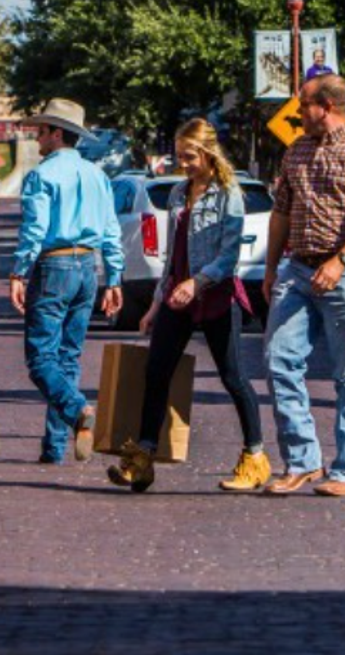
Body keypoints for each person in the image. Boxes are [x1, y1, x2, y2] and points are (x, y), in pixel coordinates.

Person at [107, 119, 269, 494]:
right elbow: (171, 257)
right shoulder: (179, 192)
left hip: (214, 296)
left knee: (233, 377)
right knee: (156, 372)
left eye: (190, 156)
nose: (184, 163)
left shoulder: (229, 193)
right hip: (177, 296)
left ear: (208, 153)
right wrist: (156, 304)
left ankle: (255, 456)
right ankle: (143, 458)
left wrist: (197, 283)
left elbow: (229, 257)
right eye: (180, 156)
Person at [263, 73, 345, 498]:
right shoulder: (297, 151)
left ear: (326, 106)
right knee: (277, 358)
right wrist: (271, 268)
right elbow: (282, 212)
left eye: (303, 105)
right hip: (299, 271)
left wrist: (341, 261)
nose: (298, 113)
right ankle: (302, 460)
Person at [9, 97, 123, 465]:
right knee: (68, 357)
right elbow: (110, 230)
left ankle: (76, 409)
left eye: (41, 131)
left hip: (54, 265)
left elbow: (35, 229)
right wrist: (115, 277)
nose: (37, 139)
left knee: (40, 357)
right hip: (88, 267)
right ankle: (55, 446)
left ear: (57, 134)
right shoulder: (97, 175)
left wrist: (18, 271)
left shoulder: (42, 175)